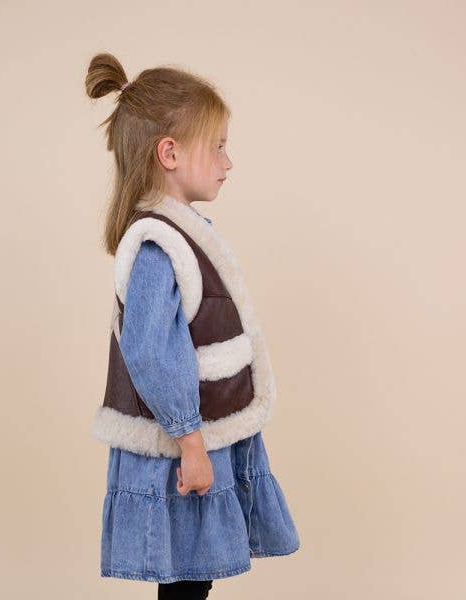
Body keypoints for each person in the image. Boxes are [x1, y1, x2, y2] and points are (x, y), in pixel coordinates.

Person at [85, 52, 300, 598]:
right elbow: (151, 352)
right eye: (218, 146)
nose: (229, 161)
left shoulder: (180, 235)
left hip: (200, 434)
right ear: (170, 153)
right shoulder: (158, 246)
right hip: (183, 444)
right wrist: (192, 443)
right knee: (185, 582)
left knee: (192, 579)